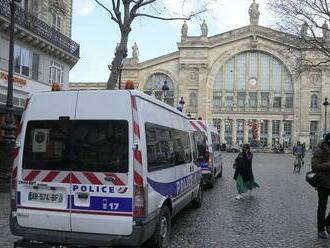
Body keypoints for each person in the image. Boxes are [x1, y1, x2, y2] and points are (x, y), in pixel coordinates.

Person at [311, 133, 330, 239]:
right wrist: (328, 164)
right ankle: (321, 229)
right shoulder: (319, 150)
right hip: (323, 182)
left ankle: (328, 222)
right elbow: (314, 166)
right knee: (322, 206)